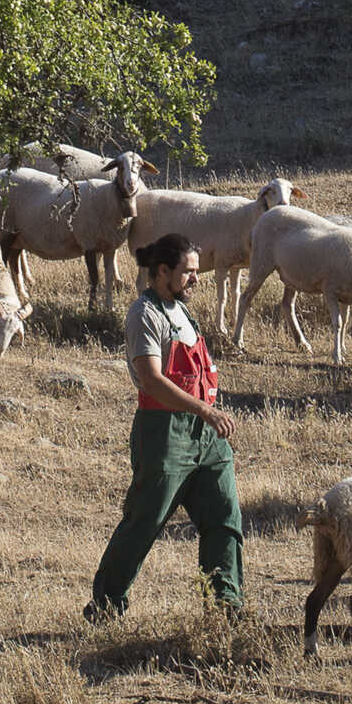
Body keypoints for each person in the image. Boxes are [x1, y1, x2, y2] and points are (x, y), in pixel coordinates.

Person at [85, 232, 242, 622]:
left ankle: (225, 612)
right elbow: (152, 380)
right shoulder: (144, 314)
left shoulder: (183, 311)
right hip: (164, 434)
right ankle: (105, 607)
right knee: (144, 524)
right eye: (187, 272)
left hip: (206, 439)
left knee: (225, 519)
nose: (195, 279)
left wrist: (206, 417)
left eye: (195, 271)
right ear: (161, 271)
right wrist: (206, 412)